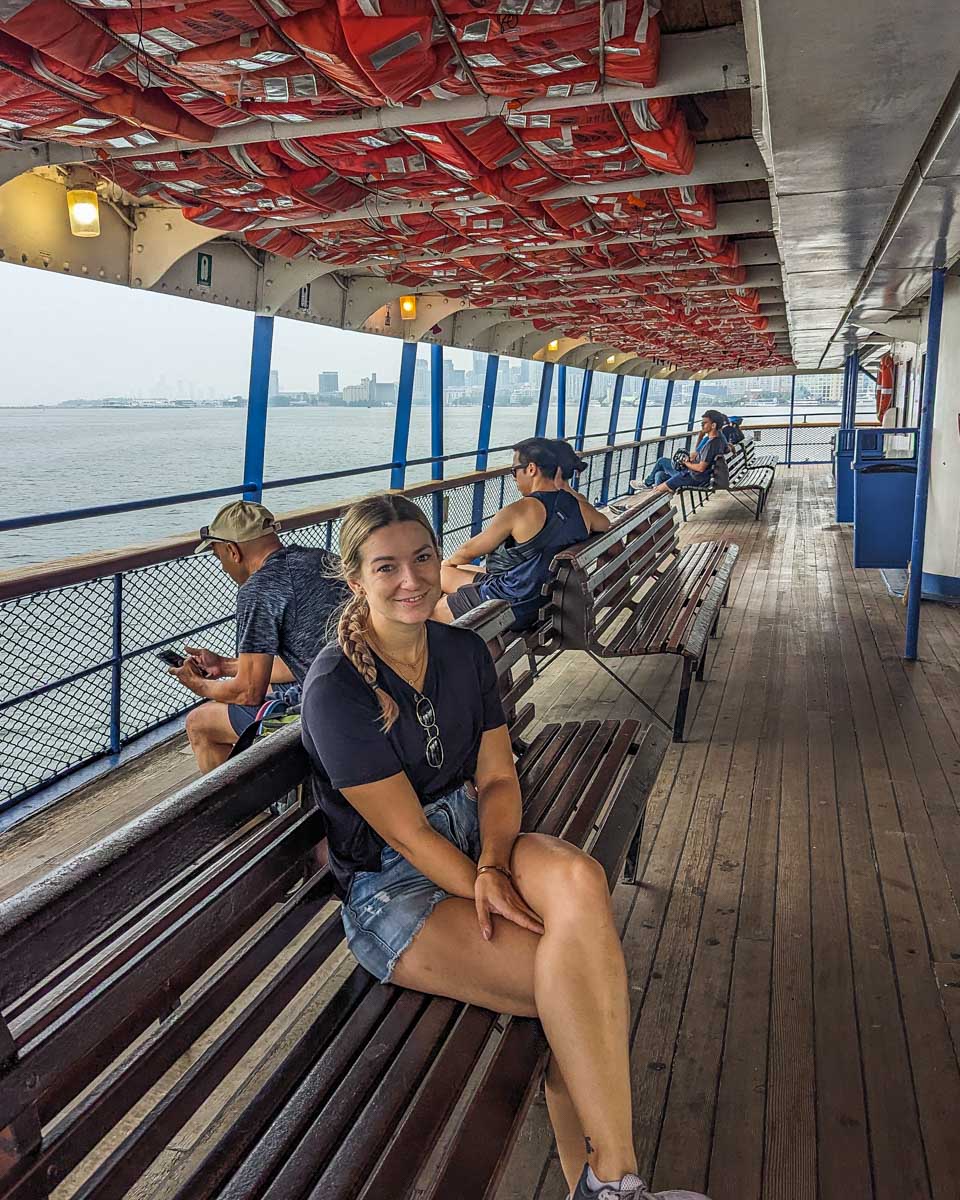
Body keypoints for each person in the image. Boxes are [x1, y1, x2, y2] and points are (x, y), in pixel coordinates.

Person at [300, 493, 709, 1200]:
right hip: (395, 887)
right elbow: (403, 833)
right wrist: (476, 883)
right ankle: (613, 1184)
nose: (412, 579)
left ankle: (606, 1182)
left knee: (579, 880)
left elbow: (495, 777)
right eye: (386, 566)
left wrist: (492, 863)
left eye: (424, 557)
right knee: (576, 986)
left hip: (474, 834)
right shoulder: (335, 688)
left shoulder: (460, 649)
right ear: (355, 578)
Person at [168, 499, 345, 772]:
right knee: (263, 692)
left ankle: (239, 810)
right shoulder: (322, 559)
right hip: (359, 686)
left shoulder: (258, 589)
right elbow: (304, 657)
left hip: (329, 713)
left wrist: (197, 685)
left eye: (219, 557)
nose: (223, 567)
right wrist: (225, 665)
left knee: (199, 723)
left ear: (233, 551)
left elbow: (248, 693)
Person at [433, 437, 610, 630]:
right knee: (442, 574)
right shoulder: (582, 509)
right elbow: (605, 523)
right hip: (548, 602)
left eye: (514, 471)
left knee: (438, 602)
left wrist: (448, 562)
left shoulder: (519, 510)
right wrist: (566, 489)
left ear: (531, 469)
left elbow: (468, 552)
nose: (514, 477)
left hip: (515, 604)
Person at [630, 410, 728, 497]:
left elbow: (700, 468)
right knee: (659, 475)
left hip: (693, 477)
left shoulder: (711, 443)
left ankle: (633, 510)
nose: (702, 425)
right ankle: (659, 510)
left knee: (658, 486)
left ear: (713, 425)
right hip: (701, 476)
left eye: (705, 423)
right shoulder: (719, 440)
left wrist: (686, 463)